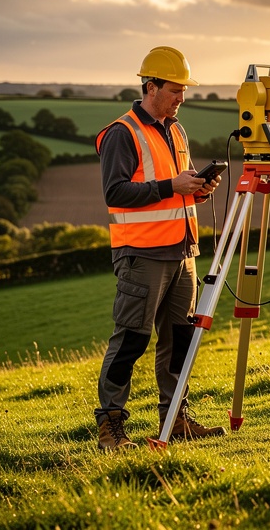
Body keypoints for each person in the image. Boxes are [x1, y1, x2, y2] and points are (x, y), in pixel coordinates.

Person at [94, 46, 225, 450]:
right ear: (151, 87)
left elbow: (171, 189)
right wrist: (173, 187)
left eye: (184, 91)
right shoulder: (122, 132)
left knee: (181, 341)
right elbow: (115, 192)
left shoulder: (176, 129)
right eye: (175, 90)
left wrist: (196, 192)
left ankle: (176, 419)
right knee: (132, 340)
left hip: (182, 253)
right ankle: (111, 427)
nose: (182, 98)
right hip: (142, 256)